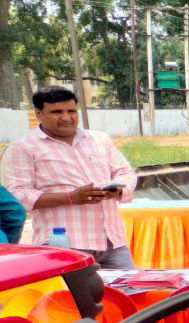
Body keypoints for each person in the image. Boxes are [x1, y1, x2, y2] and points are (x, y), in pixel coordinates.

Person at [4, 86, 138, 268]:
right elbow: (18, 194)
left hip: (113, 242)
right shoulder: (23, 147)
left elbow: (125, 173)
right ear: (38, 114)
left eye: (71, 111)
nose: (66, 118)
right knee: (72, 297)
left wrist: (118, 189)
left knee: (126, 293)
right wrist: (70, 198)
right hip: (64, 245)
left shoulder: (99, 139)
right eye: (56, 112)